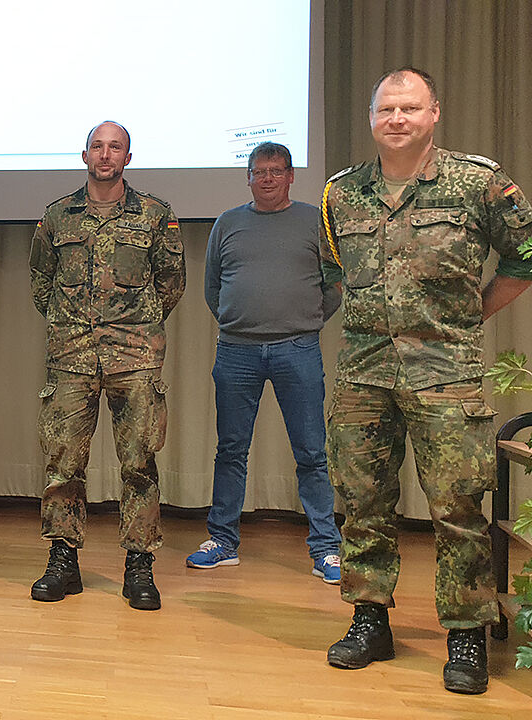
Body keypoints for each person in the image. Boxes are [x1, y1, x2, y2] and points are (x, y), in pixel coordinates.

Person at [321, 67, 532, 695]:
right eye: (386, 109)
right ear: (371, 118)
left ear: (434, 113)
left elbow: (525, 256)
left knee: (458, 508)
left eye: (409, 108)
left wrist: (469, 315)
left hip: (447, 373)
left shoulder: (478, 182)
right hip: (363, 374)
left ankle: (466, 633)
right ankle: (369, 620)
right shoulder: (341, 193)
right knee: (362, 504)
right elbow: (335, 268)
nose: (397, 119)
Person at [28, 121, 185, 610]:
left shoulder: (155, 215)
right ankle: (63, 560)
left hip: (134, 357)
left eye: (115, 147)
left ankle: (139, 564)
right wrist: (73, 326)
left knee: (139, 463)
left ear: (127, 157)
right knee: (63, 464)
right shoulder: (58, 216)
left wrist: (135, 327)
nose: (105, 154)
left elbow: (171, 283)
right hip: (70, 357)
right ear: (84, 155)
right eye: (97, 146)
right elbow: (41, 282)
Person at [186, 141, 343, 583]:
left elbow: (334, 284)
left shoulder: (314, 221)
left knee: (311, 452)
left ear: (291, 176)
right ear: (248, 178)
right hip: (237, 351)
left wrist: (305, 320)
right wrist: (241, 320)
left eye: (277, 171)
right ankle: (222, 542)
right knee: (230, 450)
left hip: (298, 348)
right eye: (260, 171)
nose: (268, 179)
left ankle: (326, 549)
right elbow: (213, 288)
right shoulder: (227, 223)